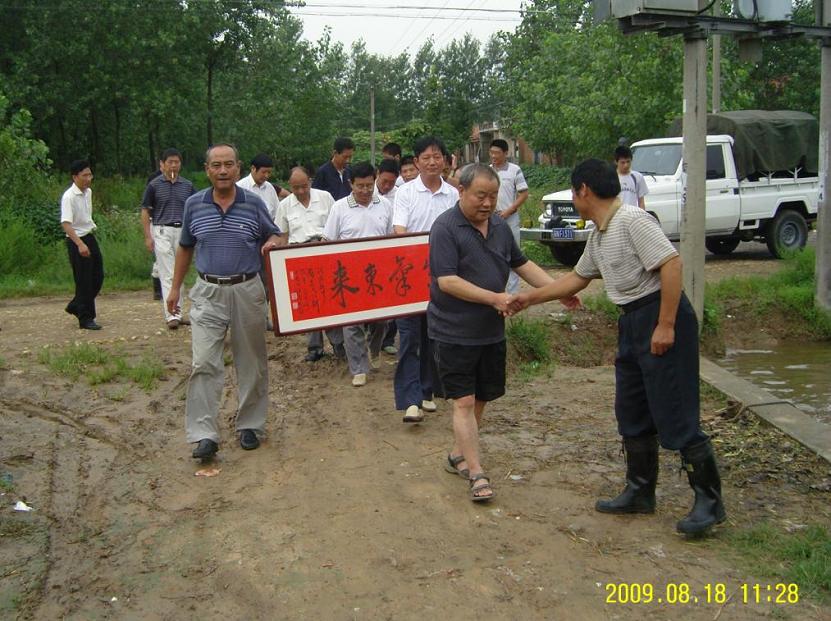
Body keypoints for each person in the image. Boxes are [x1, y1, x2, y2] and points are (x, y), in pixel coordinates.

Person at [512, 159, 726, 535]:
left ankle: (709, 502)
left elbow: (671, 265)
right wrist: (530, 299)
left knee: (675, 410)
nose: (575, 199)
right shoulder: (599, 234)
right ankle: (640, 491)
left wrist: (666, 324)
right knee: (632, 407)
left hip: (658, 314)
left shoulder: (632, 221)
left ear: (583, 191)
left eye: (574, 192)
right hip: (630, 321)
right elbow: (577, 279)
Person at [429, 164, 559, 502]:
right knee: (464, 400)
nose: (487, 203)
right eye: (480, 196)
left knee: (482, 396)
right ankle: (476, 472)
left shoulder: (500, 226)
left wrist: (559, 289)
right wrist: (495, 298)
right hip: (453, 330)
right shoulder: (445, 227)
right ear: (461, 191)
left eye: (492, 196)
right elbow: (447, 281)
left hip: (489, 331)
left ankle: (458, 453)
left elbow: (522, 263)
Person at [167, 143, 285, 459]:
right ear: (207, 170)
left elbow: (275, 234)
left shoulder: (254, 203)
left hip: (247, 289)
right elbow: (185, 247)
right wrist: (175, 289)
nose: (222, 171)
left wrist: (272, 244)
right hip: (207, 291)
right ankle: (204, 434)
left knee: (251, 361)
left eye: (228, 165)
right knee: (204, 362)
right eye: (216, 165)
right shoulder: (194, 205)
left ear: (237, 168)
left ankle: (250, 425)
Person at [392, 136, 459, 423]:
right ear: (416, 161)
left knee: (434, 336)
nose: (432, 162)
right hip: (409, 275)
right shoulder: (405, 193)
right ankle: (410, 400)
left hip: (443, 277)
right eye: (426, 157)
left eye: (437, 156)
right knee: (408, 337)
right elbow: (399, 231)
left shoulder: (454, 195)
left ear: (445, 161)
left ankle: (427, 391)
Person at [322, 161, 393, 387]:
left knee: (381, 320)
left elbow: (392, 238)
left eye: (369, 186)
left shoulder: (385, 205)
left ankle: (373, 349)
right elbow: (328, 240)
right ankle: (358, 367)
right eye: (360, 186)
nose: (365, 191)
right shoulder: (339, 208)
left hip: (379, 273)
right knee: (352, 323)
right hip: (349, 274)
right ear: (351, 184)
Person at [275, 166, 344, 362]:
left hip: (324, 251)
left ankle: (338, 344)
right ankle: (314, 347)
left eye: (304, 186)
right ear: (290, 185)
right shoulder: (285, 205)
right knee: (309, 303)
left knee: (330, 300)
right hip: (299, 255)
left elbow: (336, 226)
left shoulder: (325, 197)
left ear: (310, 182)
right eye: (296, 187)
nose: (300, 191)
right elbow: (283, 235)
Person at [141, 148, 195, 329]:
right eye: (170, 162)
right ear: (162, 164)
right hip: (162, 229)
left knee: (180, 272)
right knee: (168, 273)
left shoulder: (187, 186)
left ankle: (178, 310)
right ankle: (171, 314)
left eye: (177, 162)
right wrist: (148, 236)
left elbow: (195, 208)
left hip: (182, 231)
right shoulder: (154, 185)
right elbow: (145, 211)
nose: (173, 165)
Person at [61, 160, 104, 330]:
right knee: (83, 279)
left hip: (89, 235)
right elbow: (66, 223)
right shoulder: (69, 196)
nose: (88, 178)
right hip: (76, 239)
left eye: (90, 174)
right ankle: (86, 317)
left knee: (98, 276)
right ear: (75, 177)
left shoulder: (88, 192)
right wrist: (79, 244)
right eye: (85, 175)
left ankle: (76, 304)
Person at [489, 139, 529, 295]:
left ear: (506, 153)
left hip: (510, 218)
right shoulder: (487, 171)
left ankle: (512, 295)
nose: (493, 156)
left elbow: (523, 193)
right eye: (491, 152)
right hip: (491, 219)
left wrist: (509, 210)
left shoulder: (514, 170)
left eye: (497, 153)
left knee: (513, 256)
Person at [237, 153, 281, 221]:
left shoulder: (270, 188)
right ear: (253, 168)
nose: (266, 176)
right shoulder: (240, 187)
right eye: (263, 172)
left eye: (269, 172)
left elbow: (278, 214)